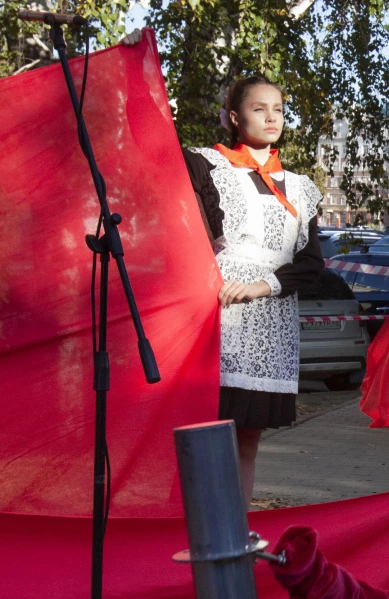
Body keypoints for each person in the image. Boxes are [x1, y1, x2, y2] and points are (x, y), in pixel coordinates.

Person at [122, 30, 324, 503]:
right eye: (259, 109)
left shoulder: (301, 186)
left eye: (278, 108)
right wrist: (136, 77)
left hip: (271, 321)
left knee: (250, 437)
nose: (271, 118)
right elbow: (150, 154)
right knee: (207, 431)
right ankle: (196, 528)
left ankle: (235, 534)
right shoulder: (204, 164)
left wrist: (263, 285)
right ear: (234, 117)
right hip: (217, 315)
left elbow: (311, 265)